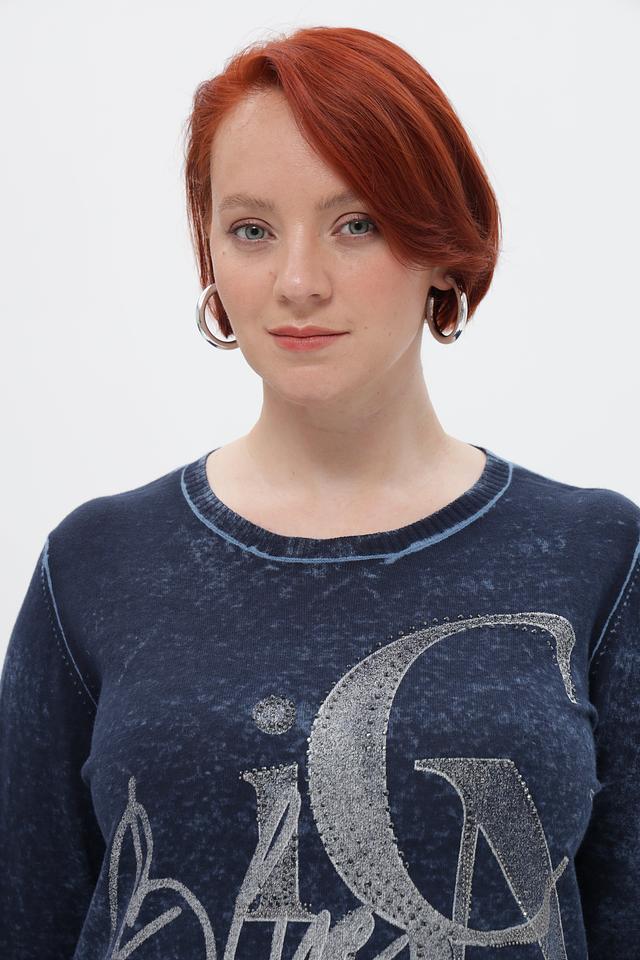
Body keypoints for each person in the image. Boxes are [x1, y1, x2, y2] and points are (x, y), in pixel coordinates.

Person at [1, 24, 638, 960]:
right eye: (252, 230)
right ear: (211, 256)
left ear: (442, 245)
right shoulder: (94, 564)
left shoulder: (598, 556)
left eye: (357, 224)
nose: (298, 282)